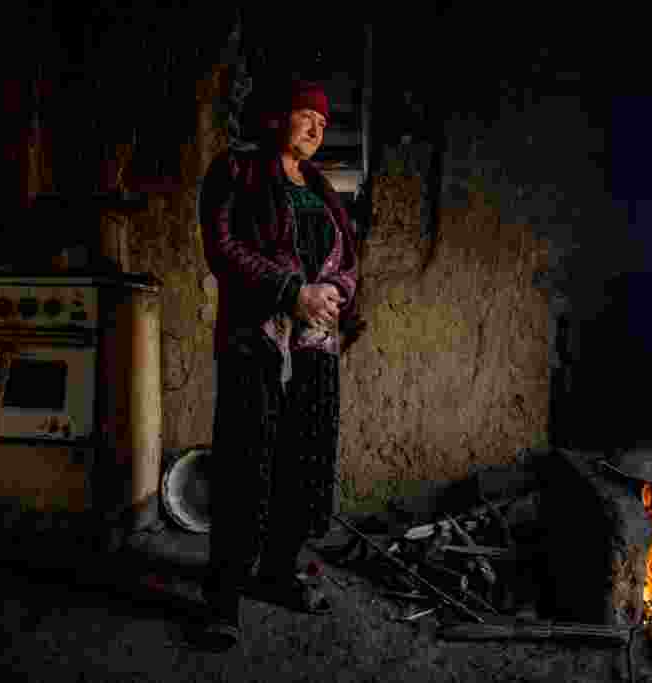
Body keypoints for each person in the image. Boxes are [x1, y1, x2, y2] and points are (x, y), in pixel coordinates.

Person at [197, 79, 359, 649]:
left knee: (302, 461)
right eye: (306, 115)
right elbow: (222, 247)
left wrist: (335, 291)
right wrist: (291, 291)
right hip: (256, 340)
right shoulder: (236, 172)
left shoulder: (321, 188)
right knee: (247, 462)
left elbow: (346, 259)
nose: (318, 127)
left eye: (323, 120)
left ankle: (276, 570)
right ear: (274, 119)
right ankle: (221, 596)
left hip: (314, 345)